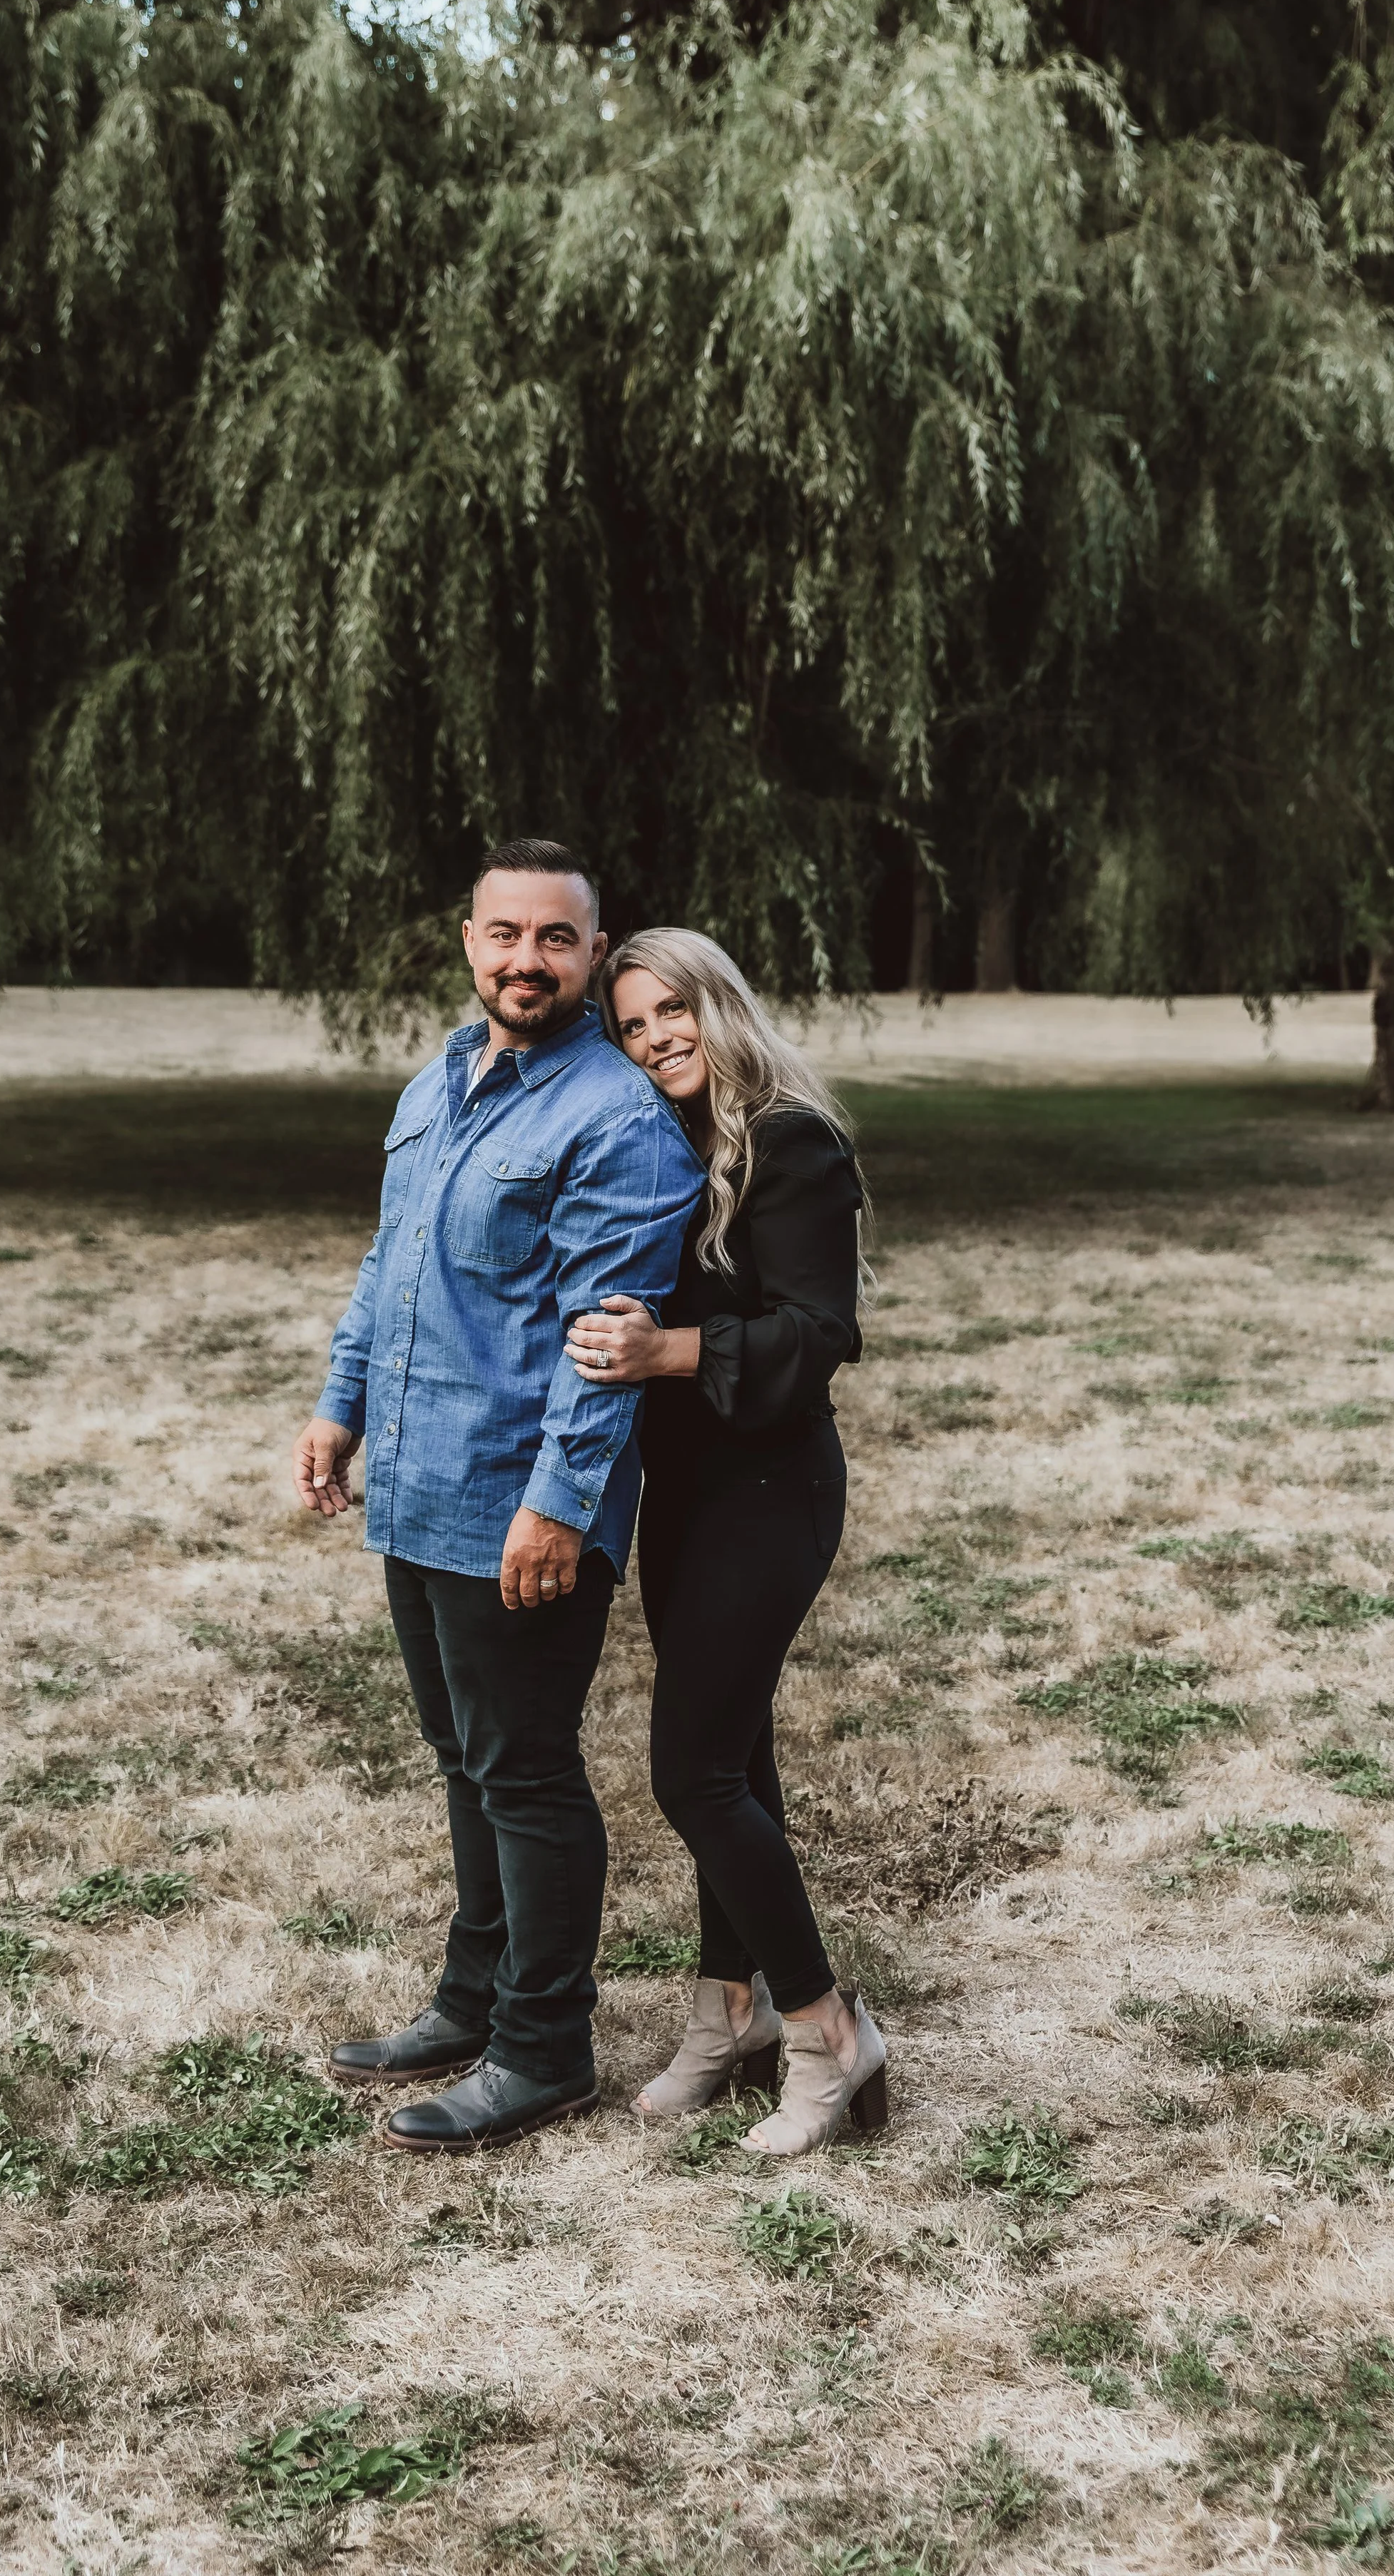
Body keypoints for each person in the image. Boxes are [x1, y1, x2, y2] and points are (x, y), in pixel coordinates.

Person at [291, 845, 707, 2154]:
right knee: (463, 1758)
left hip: (514, 1502)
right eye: (504, 934)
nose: (527, 960)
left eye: (558, 941)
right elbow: (390, 1261)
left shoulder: (616, 1121)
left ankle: (542, 2047)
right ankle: (470, 2001)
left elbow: (606, 1340)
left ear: (593, 956)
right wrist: (339, 1401)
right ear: (469, 942)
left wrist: (559, 1507)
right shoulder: (440, 1080)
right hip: (414, 1483)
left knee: (524, 1769)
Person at [567, 928, 886, 2157]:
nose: (654, 1040)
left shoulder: (793, 1142)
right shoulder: (670, 1143)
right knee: (736, 1761)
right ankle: (727, 2015)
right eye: (631, 1025)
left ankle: (825, 2035)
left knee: (690, 1775)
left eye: (670, 1012)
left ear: (719, 1004)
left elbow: (819, 1331)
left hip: (772, 1490)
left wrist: (667, 1350)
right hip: (686, 1491)